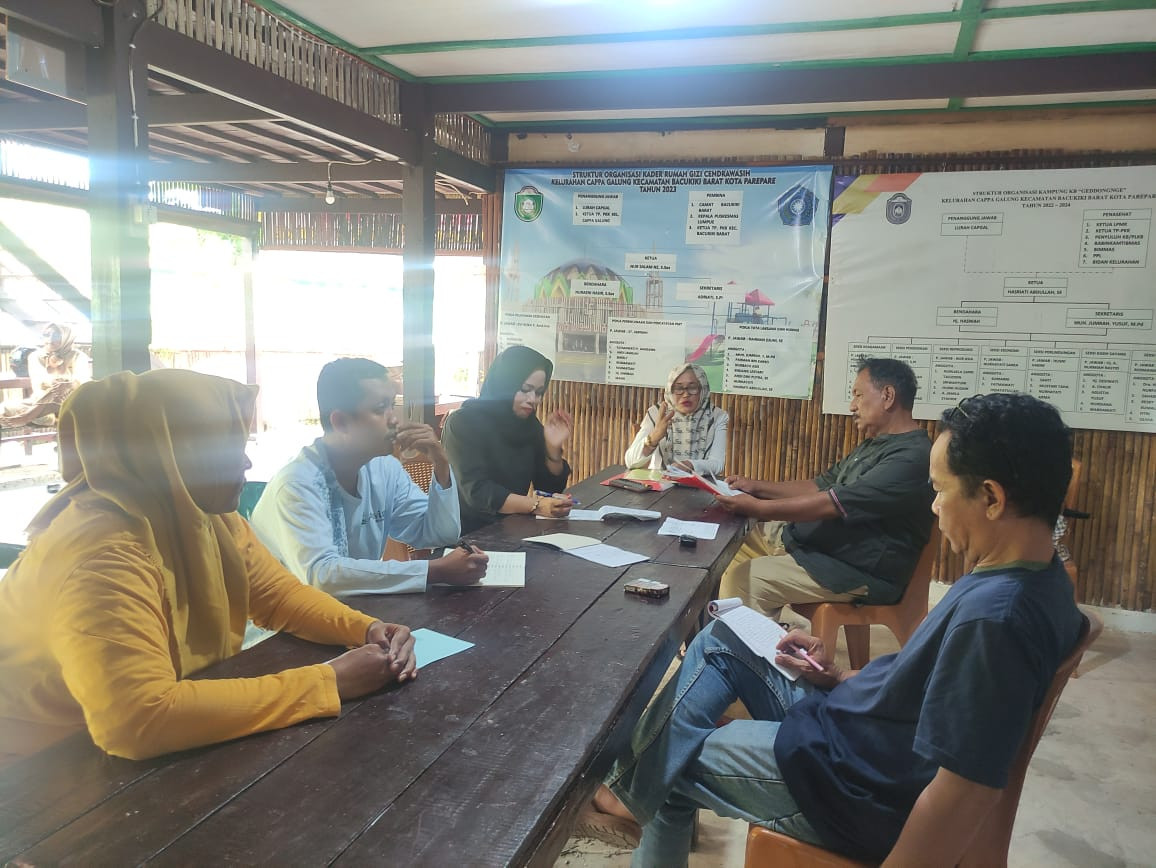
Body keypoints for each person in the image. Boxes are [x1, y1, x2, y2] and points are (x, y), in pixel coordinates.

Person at [590, 392, 1084, 866]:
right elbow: (925, 687)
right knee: (723, 639)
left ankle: (630, 791)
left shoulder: (996, 620)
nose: (933, 508)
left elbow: (962, 792)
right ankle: (628, 792)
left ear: (992, 498)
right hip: (849, 725)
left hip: (849, 781)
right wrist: (838, 677)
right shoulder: (1038, 581)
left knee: (670, 760)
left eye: (939, 491)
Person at [0, 369, 417, 767]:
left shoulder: (199, 511)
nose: (247, 464)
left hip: (123, 752)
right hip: (41, 773)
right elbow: (137, 720)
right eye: (231, 448)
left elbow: (276, 595)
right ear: (174, 455)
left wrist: (364, 628)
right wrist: (329, 682)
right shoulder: (102, 555)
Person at [717, 358, 934, 619]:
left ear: (888, 396)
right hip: (817, 547)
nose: (852, 405)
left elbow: (832, 503)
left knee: (746, 581)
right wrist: (756, 487)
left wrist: (761, 507)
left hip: (851, 570)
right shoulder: (875, 445)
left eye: (858, 395)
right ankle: (739, 635)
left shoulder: (912, 458)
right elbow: (819, 485)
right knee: (725, 543)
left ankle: (745, 655)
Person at [251, 357, 487, 595]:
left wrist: (441, 465)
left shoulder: (384, 469)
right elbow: (322, 576)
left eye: (391, 405)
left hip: (354, 612)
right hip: (283, 624)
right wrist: (434, 570)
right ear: (341, 422)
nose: (394, 418)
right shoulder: (297, 484)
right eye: (379, 409)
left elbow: (439, 534)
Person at [442, 345, 574, 533]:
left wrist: (552, 448)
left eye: (538, 392)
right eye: (525, 389)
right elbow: (478, 492)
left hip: (509, 530)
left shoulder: (528, 425)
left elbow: (549, 488)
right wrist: (535, 505)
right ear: (504, 384)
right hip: (466, 536)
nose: (533, 399)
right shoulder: (463, 423)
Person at [624, 362, 729, 477]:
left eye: (693, 387)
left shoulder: (717, 416)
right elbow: (630, 462)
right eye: (678, 388)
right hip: (660, 486)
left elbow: (717, 464)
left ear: (703, 389)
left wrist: (690, 465)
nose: (685, 394)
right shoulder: (657, 413)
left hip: (701, 487)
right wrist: (654, 437)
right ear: (670, 390)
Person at [0, 322, 91, 428]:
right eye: (46, 335)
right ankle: (46, 417)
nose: (50, 339)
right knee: (5, 408)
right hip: (41, 399)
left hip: (72, 400)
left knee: (60, 390)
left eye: (56, 336)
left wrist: (69, 384)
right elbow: (39, 382)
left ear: (67, 337)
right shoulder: (36, 356)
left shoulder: (78, 356)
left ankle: (26, 417)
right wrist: (57, 383)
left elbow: (83, 379)